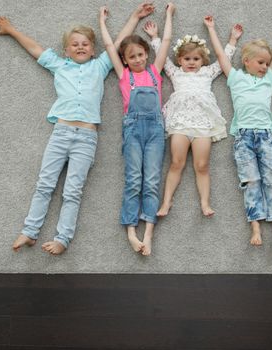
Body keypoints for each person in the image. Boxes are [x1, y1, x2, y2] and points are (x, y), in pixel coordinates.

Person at [0, 3, 155, 255]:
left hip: (87, 137)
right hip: (61, 133)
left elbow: (118, 41)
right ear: (66, 51)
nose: (80, 47)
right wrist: (12, 30)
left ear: (93, 50)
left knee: (72, 191)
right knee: (44, 184)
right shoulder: (60, 66)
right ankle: (30, 231)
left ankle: (63, 238)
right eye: (75, 44)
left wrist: (134, 17)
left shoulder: (100, 66)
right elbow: (35, 49)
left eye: (85, 44)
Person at [205, 12, 272, 245]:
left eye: (266, 64)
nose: (265, 67)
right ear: (246, 61)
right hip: (243, 137)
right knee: (251, 180)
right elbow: (220, 54)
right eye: (260, 62)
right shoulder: (235, 78)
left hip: (266, 135)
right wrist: (211, 29)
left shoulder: (268, 79)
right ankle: (255, 226)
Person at [99, 3, 175, 255]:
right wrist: (102, 23)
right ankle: (132, 231)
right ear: (125, 60)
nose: (138, 59)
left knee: (152, 181)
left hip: (155, 131)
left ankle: (148, 233)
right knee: (133, 181)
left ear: (146, 53)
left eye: (141, 54)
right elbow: (110, 46)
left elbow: (165, 41)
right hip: (132, 131)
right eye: (132, 57)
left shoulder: (155, 71)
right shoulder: (124, 76)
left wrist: (169, 15)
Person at [149, 23, 243, 218]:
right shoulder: (175, 72)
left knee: (202, 165)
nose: (191, 62)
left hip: (202, 123)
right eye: (187, 59)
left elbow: (224, 59)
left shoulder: (207, 72)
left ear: (203, 60)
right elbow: (162, 58)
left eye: (196, 59)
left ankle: (205, 202)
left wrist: (232, 40)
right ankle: (166, 202)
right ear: (180, 59)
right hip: (181, 122)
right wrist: (155, 37)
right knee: (176, 162)